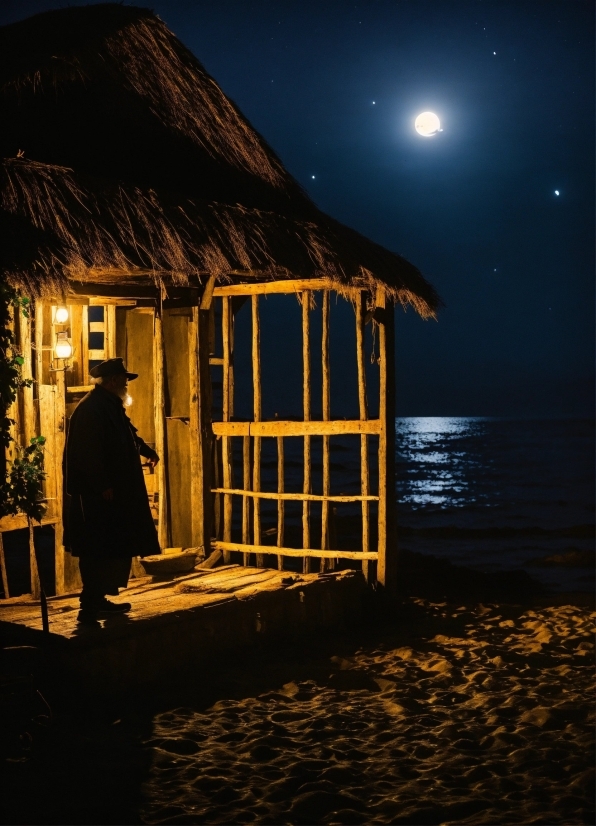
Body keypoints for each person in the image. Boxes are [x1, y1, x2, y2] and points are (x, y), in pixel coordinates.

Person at [64, 357, 160, 625]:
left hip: (113, 493)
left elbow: (127, 434)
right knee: (97, 546)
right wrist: (101, 484)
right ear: (114, 381)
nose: (127, 384)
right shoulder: (91, 409)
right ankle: (90, 605)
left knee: (112, 544)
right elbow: (86, 452)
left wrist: (146, 451)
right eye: (124, 379)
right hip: (96, 496)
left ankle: (99, 600)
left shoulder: (109, 406)